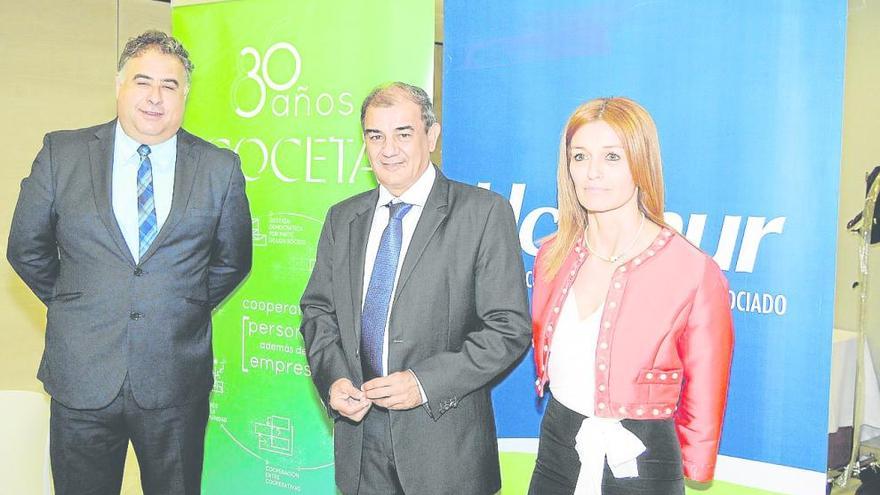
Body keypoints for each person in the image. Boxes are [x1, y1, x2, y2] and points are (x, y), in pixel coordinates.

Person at [7, 30, 252, 494]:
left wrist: (179, 303)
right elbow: (26, 248)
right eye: (143, 82)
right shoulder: (64, 154)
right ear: (119, 85)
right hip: (82, 375)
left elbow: (232, 261)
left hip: (174, 378)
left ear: (185, 95)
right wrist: (75, 300)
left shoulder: (220, 168)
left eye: (170, 85)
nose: (155, 98)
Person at [300, 82, 531, 495]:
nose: (389, 149)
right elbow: (318, 311)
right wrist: (333, 380)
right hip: (360, 445)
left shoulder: (482, 214)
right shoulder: (342, 218)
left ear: (432, 136)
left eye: (403, 133)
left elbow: (508, 328)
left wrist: (423, 383)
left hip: (444, 447)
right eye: (376, 136)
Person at [528, 97, 734, 495]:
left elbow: (707, 386)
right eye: (580, 156)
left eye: (611, 157)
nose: (592, 173)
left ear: (641, 163)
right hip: (556, 444)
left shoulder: (691, 270)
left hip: (643, 458)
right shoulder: (552, 254)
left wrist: (699, 459)